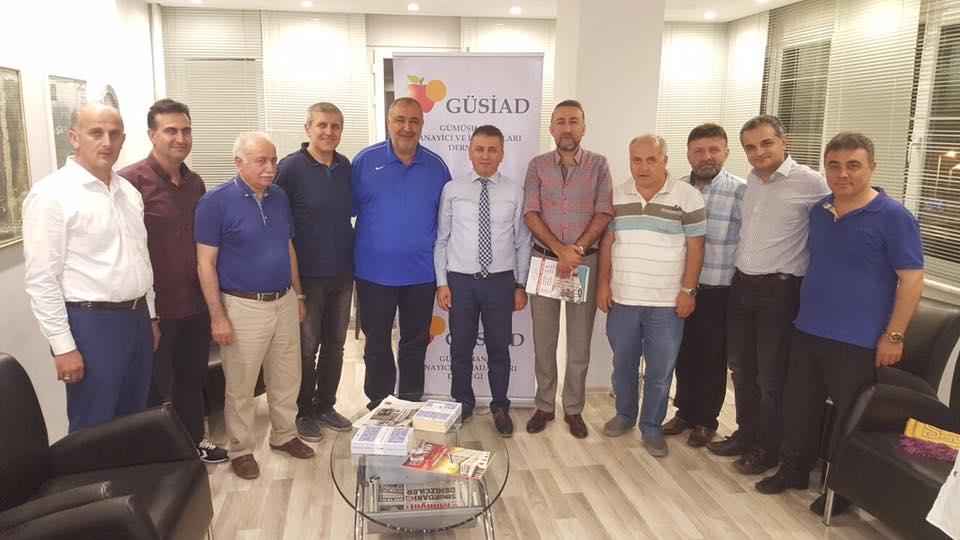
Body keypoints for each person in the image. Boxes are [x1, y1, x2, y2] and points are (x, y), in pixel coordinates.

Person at [755, 133, 924, 516]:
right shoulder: (820, 210)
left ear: (872, 168)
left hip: (859, 340)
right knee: (799, 407)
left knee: (850, 417)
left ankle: (842, 489)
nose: (842, 173)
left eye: (853, 165)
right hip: (808, 329)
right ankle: (794, 470)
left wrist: (894, 335)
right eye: (834, 165)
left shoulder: (894, 217)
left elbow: (912, 281)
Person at [23, 102, 159, 432]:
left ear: (123, 139)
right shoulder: (51, 195)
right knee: (93, 426)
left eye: (114, 134)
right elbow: (42, 279)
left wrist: (151, 316)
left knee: (135, 420)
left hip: (137, 319)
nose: (107, 142)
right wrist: (63, 347)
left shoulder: (128, 192)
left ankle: (128, 470)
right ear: (74, 137)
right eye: (96, 133)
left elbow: (141, 257)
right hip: (92, 325)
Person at [708, 115, 830, 477]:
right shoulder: (752, 181)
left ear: (784, 141)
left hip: (780, 291)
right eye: (750, 147)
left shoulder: (811, 182)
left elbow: (843, 210)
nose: (758, 152)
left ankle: (768, 448)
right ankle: (746, 435)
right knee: (741, 369)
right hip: (742, 286)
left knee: (771, 377)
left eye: (766, 143)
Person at [195, 132, 314, 480]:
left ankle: (284, 435)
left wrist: (298, 295)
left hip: (284, 300)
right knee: (241, 386)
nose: (270, 167)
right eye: (261, 161)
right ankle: (241, 449)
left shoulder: (279, 196)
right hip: (242, 306)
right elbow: (205, 264)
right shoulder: (215, 202)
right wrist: (217, 316)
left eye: (273, 160)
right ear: (239, 162)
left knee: (287, 376)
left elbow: (288, 247)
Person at [117, 98, 227, 463]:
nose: (180, 138)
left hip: (194, 302)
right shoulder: (129, 183)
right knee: (152, 386)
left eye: (186, 130)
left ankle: (194, 442)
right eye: (171, 131)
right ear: (152, 135)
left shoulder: (195, 183)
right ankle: (157, 457)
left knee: (192, 380)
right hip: (156, 308)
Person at [597, 135, 706, 457]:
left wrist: (688, 290)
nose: (643, 167)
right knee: (623, 366)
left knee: (660, 372)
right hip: (623, 300)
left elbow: (696, 247)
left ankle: (652, 426)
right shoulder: (616, 195)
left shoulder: (688, 196)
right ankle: (624, 415)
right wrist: (603, 284)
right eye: (637, 160)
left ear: (665, 161)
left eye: (651, 160)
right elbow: (607, 243)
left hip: (666, 303)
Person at [523, 99, 613, 439]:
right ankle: (545, 405)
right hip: (545, 261)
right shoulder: (537, 166)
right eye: (560, 121)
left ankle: (573, 408)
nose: (567, 128)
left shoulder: (599, 165)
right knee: (544, 341)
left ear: (583, 128)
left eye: (573, 121)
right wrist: (561, 251)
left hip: (583, 263)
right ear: (551, 128)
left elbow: (604, 213)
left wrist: (575, 251)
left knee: (579, 342)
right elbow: (530, 213)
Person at [352, 97, 451, 409]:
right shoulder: (364, 162)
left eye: (414, 121)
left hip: (421, 274)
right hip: (373, 274)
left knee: (415, 343)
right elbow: (345, 211)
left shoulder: (437, 167)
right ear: (388, 122)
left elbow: (447, 222)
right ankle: (379, 404)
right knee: (377, 343)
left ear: (422, 125)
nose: (407, 127)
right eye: (400, 120)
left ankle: (409, 402)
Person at [434, 125, 532, 438]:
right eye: (479, 149)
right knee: (461, 349)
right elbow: (442, 239)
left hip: (501, 283)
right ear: (470, 152)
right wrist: (442, 282)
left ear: (502, 154)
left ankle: (500, 407)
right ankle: (462, 404)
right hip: (460, 282)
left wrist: (520, 285)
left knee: (499, 349)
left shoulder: (515, 192)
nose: (485, 156)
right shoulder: (452, 189)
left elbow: (522, 242)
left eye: (492, 150)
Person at [661, 124, 746, 448]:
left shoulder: (740, 191)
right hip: (679, 287)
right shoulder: (676, 190)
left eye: (714, 150)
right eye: (699, 151)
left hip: (717, 290)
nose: (706, 157)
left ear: (726, 152)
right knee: (683, 353)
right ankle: (684, 412)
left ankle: (706, 421)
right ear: (688, 155)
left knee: (712, 357)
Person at [275, 102, 354, 441]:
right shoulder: (290, 168)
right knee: (307, 348)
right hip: (306, 276)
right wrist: (293, 286)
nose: (329, 132)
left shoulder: (345, 166)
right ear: (308, 128)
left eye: (335, 126)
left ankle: (325, 406)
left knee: (336, 345)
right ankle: (303, 411)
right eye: (322, 125)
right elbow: (278, 224)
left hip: (343, 272)